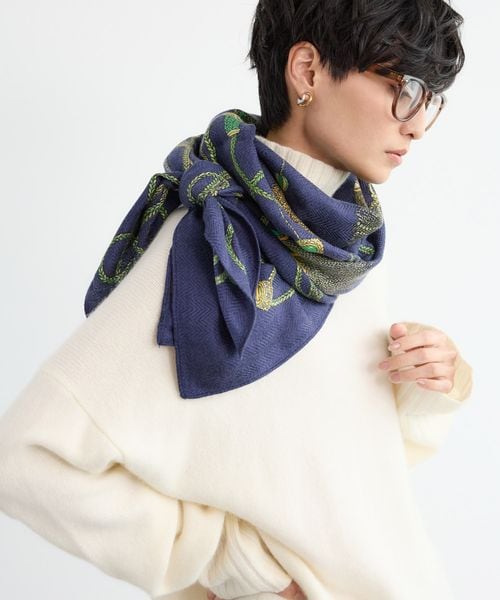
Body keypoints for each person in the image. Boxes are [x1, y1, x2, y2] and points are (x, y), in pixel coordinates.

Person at [0, 1, 473, 599]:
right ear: (307, 70)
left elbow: (335, 475)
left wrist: (430, 384)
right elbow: (25, 457)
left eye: (430, 98)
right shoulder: (211, 242)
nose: (418, 125)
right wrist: (223, 557)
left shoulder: (339, 244)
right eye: (403, 89)